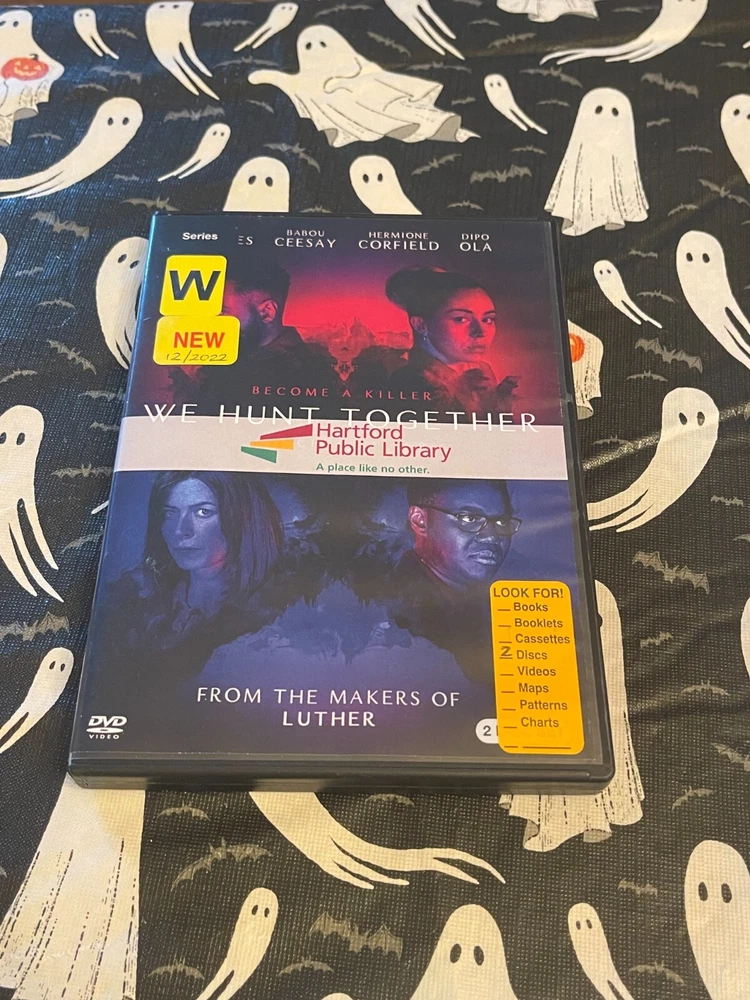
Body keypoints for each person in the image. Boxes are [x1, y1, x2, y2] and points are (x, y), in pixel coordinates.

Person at [98, 471, 283, 682]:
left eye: (203, 512)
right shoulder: (131, 598)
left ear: (243, 518)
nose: (181, 530)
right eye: (170, 513)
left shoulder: (273, 619)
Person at [390, 478, 521, 685]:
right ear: (419, 520)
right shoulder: (394, 613)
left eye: (502, 522)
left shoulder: (499, 605)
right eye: (469, 518)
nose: (491, 537)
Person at [192, 257, 338, 411]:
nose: (210, 322)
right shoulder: (225, 359)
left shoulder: (309, 373)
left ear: (267, 312)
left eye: (222, 312)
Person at [385, 267, 518, 416]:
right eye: (461, 319)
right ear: (421, 325)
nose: (481, 332)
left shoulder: (481, 370)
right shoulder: (410, 380)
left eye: (488, 319)